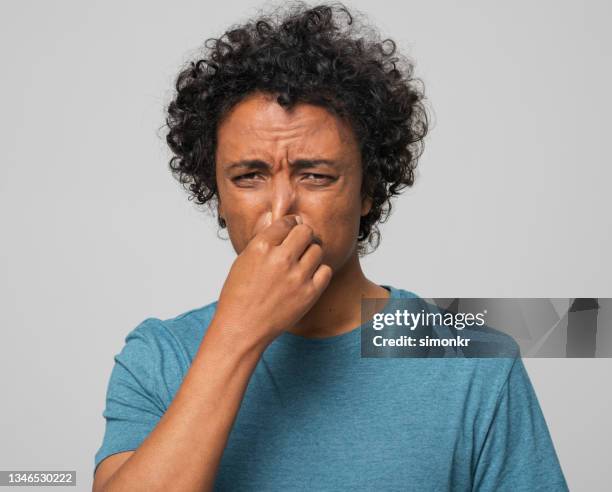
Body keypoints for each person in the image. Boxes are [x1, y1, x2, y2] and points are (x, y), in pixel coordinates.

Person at [93, 3, 569, 491]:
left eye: (315, 175)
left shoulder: (475, 363)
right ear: (216, 196)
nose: (281, 210)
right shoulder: (159, 355)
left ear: (368, 190)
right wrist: (238, 333)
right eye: (248, 176)